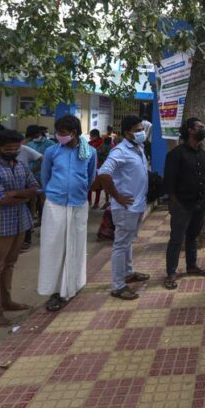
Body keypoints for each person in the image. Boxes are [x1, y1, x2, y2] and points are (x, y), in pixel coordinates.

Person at [0, 129, 39, 326]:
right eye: (9, 148)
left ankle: (7, 301)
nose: (13, 151)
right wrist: (20, 195)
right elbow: (0, 199)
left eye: (16, 147)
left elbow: (34, 189)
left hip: (20, 223)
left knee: (10, 264)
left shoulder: (21, 164)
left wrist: (15, 194)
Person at [38, 115, 97, 311]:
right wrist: (51, 194)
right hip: (55, 204)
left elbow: (90, 177)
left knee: (75, 246)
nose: (58, 136)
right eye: (57, 133)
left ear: (74, 133)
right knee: (54, 247)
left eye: (62, 133)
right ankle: (55, 291)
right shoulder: (51, 151)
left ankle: (72, 285)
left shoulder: (90, 152)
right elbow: (45, 176)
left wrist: (78, 192)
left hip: (78, 204)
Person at [98, 116, 150, 300]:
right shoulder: (120, 151)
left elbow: (148, 127)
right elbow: (103, 173)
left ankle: (128, 273)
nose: (142, 132)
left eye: (142, 128)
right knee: (120, 244)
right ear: (127, 133)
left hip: (136, 205)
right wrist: (116, 196)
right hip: (125, 207)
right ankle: (118, 285)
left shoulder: (138, 147)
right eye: (137, 129)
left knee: (127, 242)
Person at [163, 118, 205, 290]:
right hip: (182, 205)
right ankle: (171, 273)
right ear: (190, 131)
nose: (203, 129)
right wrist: (176, 203)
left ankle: (191, 266)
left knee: (192, 236)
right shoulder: (176, 154)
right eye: (199, 127)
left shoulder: (202, 153)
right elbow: (169, 182)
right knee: (176, 239)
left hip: (199, 204)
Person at [15, 140, 44, 252]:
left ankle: (26, 240)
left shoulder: (24, 150)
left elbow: (41, 158)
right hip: (9, 189)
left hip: (24, 186)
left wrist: (33, 170)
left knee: (25, 213)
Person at [25, 125, 55, 230]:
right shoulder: (29, 144)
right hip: (30, 176)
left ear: (39, 133)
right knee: (31, 200)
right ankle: (31, 222)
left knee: (43, 199)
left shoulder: (50, 144)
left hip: (44, 175)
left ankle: (43, 220)